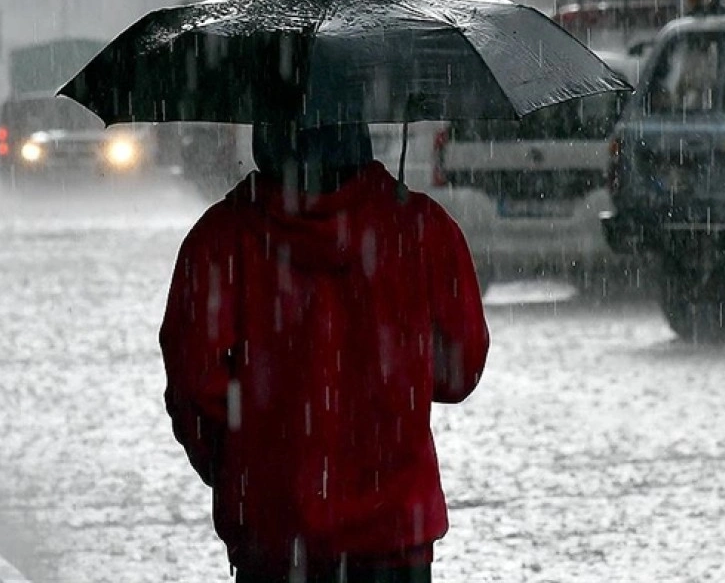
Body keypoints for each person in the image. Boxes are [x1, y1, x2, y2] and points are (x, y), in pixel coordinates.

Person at [159, 117, 490, 583]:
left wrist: (245, 468)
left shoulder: (221, 237)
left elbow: (195, 384)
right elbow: (461, 369)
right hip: (394, 534)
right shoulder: (422, 227)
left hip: (275, 536)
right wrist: (391, 381)